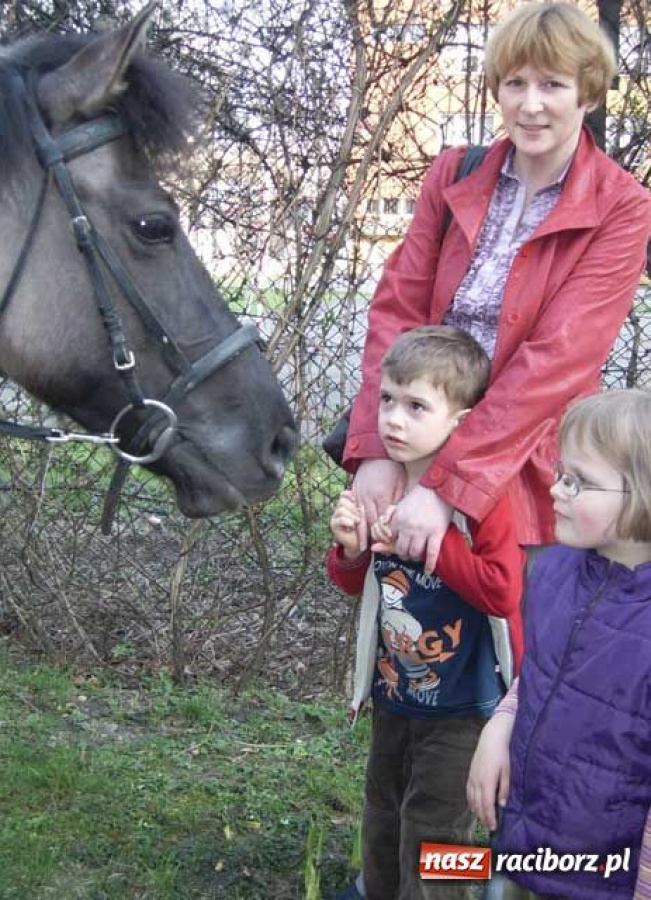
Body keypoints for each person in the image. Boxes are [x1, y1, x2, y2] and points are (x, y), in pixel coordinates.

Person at [344, 2, 651, 574]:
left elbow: (555, 362)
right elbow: (397, 311)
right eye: (515, 83)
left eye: (552, 85)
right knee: (403, 621)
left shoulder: (622, 207)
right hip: (416, 445)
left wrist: (446, 486)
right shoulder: (454, 174)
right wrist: (376, 451)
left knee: (509, 626)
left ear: (587, 94)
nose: (530, 105)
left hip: (519, 473)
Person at [327, 326, 525, 900]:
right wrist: (350, 549)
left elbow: (502, 591)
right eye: (387, 399)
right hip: (395, 696)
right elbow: (353, 582)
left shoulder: (483, 501)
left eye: (416, 407)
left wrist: (436, 545)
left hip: (464, 709)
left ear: (460, 424)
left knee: (440, 837)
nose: (393, 419)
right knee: (383, 816)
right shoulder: (379, 485)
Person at [467, 389, 651, 900]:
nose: (556, 489)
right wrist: (500, 726)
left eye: (578, 481)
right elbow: (541, 668)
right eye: (560, 471)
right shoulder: (553, 571)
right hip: (532, 835)